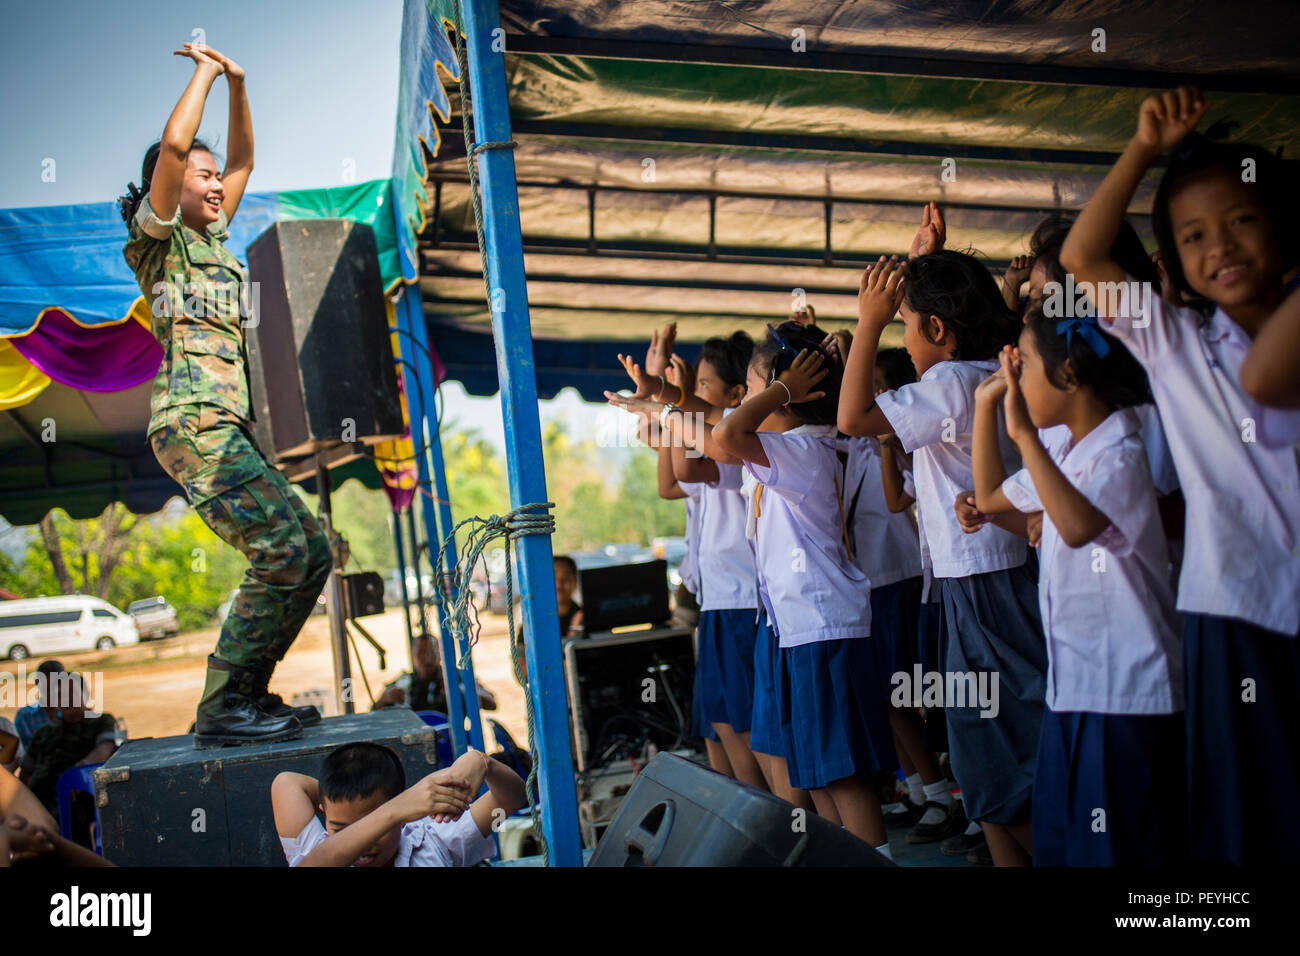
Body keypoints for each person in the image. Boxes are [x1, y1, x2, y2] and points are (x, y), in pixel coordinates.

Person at [1059, 86, 1300, 865]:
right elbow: (1082, 256)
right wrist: (1142, 151)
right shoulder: (1176, 342)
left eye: (1242, 220)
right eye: (1194, 236)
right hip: (1232, 611)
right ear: (1174, 262)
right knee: (1249, 817)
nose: (1221, 247)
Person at [119, 43, 330, 748]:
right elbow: (179, 146)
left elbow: (240, 162)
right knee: (281, 550)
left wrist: (241, 83)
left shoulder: (215, 242)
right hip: (192, 425)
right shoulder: (160, 244)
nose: (216, 186)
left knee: (313, 549)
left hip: (226, 427)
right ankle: (221, 705)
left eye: (214, 179)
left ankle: (247, 695)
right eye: (199, 178)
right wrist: (205, 73)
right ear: (169, 183)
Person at [838, 219, 1047, 867]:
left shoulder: (954, 382)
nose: (899, 336)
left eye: (904, 324)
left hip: (986, 579)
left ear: (935, 330)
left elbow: (852, 418)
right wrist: (913, 272)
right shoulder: (972, 371)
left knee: (1004, 738)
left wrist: (867, 320)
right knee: (986, 740)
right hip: (978, 577)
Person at [970, 311, 1186, 865]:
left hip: (1125, 693)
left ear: (1069, 374)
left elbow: (1078, 524)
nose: (1014, 374)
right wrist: (984, 404)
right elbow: (992, 497)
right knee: (1070, 846)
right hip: (1076, 690)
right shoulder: (1066, 450)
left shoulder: (1120, 456)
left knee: (1120, 853)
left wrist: (1021, 432)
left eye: (1024, 365)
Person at [712, 320, 895, 856]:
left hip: (822, 627)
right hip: (798, 627)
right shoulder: (792, 446)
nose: (747, 399)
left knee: (839, 774)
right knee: (815, 773)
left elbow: (725, 436)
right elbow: (722, 436)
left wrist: (784, 386)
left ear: (791, 393)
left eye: (755, 388)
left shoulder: (802, 450)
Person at [272, 741, 526, 867]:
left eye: (379, 826)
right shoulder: (316, 850)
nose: (366, 843)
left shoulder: (435, 839)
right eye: (341, 828)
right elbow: (285, 782)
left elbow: (511, 798)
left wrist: (482, 762)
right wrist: (391, 810)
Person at [17, 675, 118, 824]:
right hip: (38, 807)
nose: (66, 699)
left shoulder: (101, 721)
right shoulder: (44, 732)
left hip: (77, 805)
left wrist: (75, 777)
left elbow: (104, 750)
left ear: (86, 694)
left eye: (72, 693)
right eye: (60, 695)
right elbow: (25, 774)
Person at [14, 659, 64, 751]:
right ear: (37, 682)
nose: (52, 692)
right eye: (47, 688)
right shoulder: (24, 716)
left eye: (56, 685)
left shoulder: (73, 712)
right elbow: (20, 755)